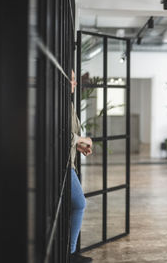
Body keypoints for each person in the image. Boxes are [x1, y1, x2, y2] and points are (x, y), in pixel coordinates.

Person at [70, 70, 93, 263]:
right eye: (72, 79)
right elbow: (58, 133)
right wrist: (83, 139)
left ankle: (69, 252)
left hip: (69, 163)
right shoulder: (59, 103)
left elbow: (68, 135)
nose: (75, 83)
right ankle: (69, 254)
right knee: (80, 204)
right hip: (62, 166)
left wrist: (80, 145)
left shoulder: (66, 103)